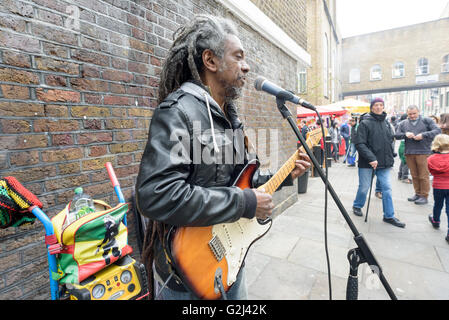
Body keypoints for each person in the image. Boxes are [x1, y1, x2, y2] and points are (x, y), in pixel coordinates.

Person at [134, 15, 311, 300]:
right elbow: (157, 194)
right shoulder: (178, 112)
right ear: (211, 61)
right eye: (238, 56)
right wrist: (243, 203)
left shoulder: (230, 117)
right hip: (189, 275)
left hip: (230, 260)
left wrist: (285, 175)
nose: (247, 66)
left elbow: (243, 182)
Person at [352, 97, 405, 228]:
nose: (379, 107)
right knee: (364, 187)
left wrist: (392, 154)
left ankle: (389, 216)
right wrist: (371, 158)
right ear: (371, 107)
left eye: (381, 105)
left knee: (387, 189)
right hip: (367, 163)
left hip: (384, 163)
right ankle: (357, 205)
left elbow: (388, 140)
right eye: (376, 105)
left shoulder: (387, 123)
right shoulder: (364, 123)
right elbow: (360, 143)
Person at [395, 105, 441, 205]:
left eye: (414, 113)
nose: (412, 116)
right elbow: (396, 135)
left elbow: (438, 131)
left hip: (423, 152)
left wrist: (423, 135)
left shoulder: (426, 121)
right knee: (414, 175)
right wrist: (405, 134)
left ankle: (424, 196)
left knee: (423, 175)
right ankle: (417, 193)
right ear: (407, 114)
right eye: (410, 114)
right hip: (409, 152)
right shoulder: (403, 123)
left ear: (418, 112)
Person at [427, 134, 449, 243]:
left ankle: (436, 220)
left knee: (438, 204)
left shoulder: (431, 158)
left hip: (438, 185)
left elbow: (431, 172)